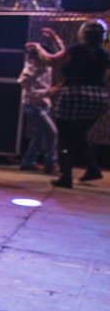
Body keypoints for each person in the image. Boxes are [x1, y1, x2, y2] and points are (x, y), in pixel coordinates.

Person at [27, 20, 109, 188]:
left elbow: (50, 60)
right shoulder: (104, 54)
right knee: (79, 133)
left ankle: (66, 175)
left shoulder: (76, 50)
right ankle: (92, 168)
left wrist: (38, 48)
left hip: (75, 94)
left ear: (83, 34)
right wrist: (55, 39)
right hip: (98, 97)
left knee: (65, 136)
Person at [17, 43, 57, 173]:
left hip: (43, 104)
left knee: (39, 134)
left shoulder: (47, 66)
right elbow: (27, 91)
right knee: (51, 132)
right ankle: (50, 163)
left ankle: (28, 162)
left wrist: (55, 39)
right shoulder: (30, 70)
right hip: (33, 105)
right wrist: (48, 92)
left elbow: (62, 54)